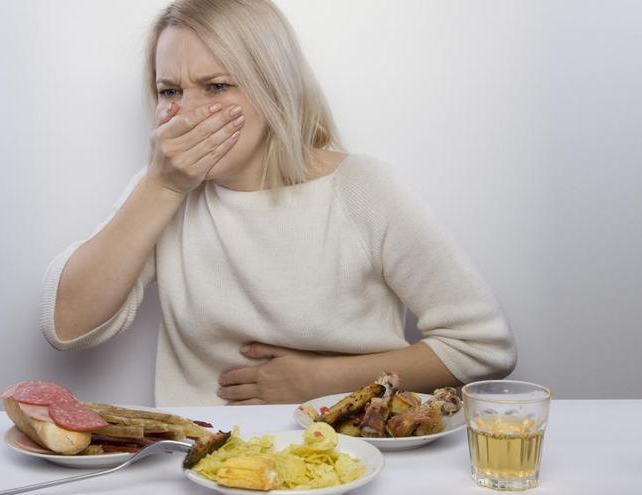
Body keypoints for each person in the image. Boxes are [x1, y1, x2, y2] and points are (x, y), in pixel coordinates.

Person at [39, 0, 516, 406]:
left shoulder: (361, 188)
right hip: (204, 458)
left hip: (354, 452)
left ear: (272, 87)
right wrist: (160, 189)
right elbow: (66, 328)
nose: (188, 112)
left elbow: (482, 348)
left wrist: (318, 381)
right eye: (171, 91)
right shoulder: (164, 189)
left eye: (217, 86)